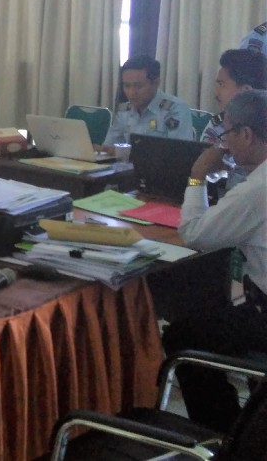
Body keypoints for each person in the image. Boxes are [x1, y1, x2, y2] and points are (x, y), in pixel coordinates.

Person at [161, 90, 267, 434]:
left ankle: (224, 435)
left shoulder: (256, 190)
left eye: (228, 133)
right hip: (253, 294)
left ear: (246, 134)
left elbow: (193, 233)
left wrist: (197, 175)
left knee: (183, 334)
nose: (225, 143)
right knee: (211, 304)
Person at [201, 49, 267, 191]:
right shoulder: (217, 124)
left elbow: (197, 176)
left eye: (222, 84)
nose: (216, 92)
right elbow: (204, 170)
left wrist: (195, 179)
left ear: (246, 91)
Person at [100, 55, 193, 150]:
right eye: (127, 86)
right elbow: (109, 147)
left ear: (156, 83)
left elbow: (179, 152)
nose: (132, 93)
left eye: (138, 86)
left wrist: (124, 152)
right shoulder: (124, 110)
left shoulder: (175, 109)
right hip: (127, 160)